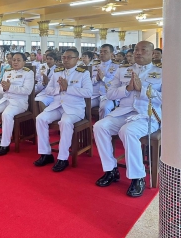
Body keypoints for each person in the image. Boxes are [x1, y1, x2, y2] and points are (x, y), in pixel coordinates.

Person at [93, 41, 162, 197]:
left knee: (127, 131)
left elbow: (167, 99)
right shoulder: (122, 70)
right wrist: (127, 89)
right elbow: (110, 94)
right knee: (99, 126)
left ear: (152, 54)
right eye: (136, 50)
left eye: (143, 50)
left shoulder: (161, 72)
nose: (138, 53)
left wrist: (142, 90)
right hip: (123, 112)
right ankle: (111, 170)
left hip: (147, 115)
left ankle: (138, 177)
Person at [34, 48, 93, 172]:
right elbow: (48, 90)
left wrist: (68, 88)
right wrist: (59, 89)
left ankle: (62, 158)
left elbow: (88, 92)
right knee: (40, 119)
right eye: (64, 57)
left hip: (74, 109)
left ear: (77, 59)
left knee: (65, 122)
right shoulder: (57, 72)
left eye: (69, 57)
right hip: (57, 106)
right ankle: (46, 154)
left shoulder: (83, 73)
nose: (65, 60)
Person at [0, 52, 35, 156]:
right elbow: (0, 88)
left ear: (24, 62)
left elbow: (27, 91)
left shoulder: (28, 73)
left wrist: (9, 88)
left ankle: (5, 144)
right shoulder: (8, 72)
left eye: (18, 60)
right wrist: (4, 88)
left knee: (6, 114)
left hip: (19, 102)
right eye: (14, 60)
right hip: (6, 99)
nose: (15, 62)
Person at [91, 44, 120, 119]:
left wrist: (104, 78)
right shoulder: (94, 66)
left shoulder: (118, 67)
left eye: (105, 52)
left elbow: (118, 83)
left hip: (108, 95)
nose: (102, 53)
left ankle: (102, 127)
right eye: (100, 51)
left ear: (111, 54)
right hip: (95, 95)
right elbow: (88, 82)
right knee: (81, 104)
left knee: (104, 107)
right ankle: (85, 127)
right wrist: (96, 79)